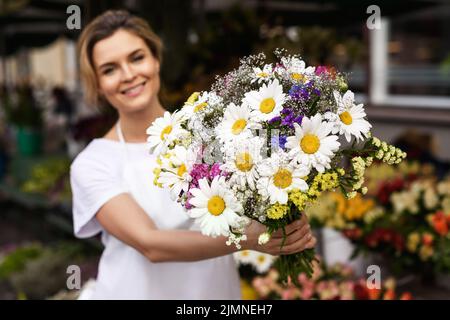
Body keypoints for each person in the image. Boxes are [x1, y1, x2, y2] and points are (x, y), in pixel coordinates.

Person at [70, 10, 316, 300]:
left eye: (137, 58)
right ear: (98, 84)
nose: (128, 75)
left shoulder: (212, 134)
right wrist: (249, 238)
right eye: (109, 69)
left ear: (156, 59)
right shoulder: (93, 163)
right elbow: (152, 245)